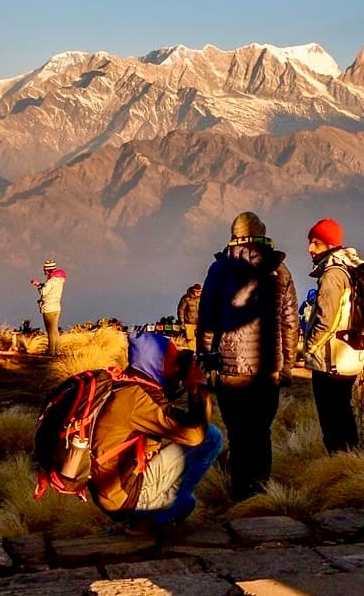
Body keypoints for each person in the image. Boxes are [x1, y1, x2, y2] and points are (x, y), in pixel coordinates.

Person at [196, 212, 297, 501]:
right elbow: (290, 322)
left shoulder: (220, 270)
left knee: (239, 435)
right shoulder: (280, 269)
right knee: (261, 432)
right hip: (269, 369)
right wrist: (287, 365)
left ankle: (241, 496)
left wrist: (206, 360)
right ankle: (262, 492)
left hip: (232, 370)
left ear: (234, 235)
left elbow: (207, 321)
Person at [92, 331, 222, 538]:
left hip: (115, 490)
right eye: (172, 361)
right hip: (124, 494)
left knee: (187, 503)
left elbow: (179, 424)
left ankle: (148, 516)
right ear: (155, 362)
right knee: (212, 438)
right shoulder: (138, 398)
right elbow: (196, 434)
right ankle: (147, 522)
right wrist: (199, 389)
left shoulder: (128, 384)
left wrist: (189, 386)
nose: (176, 368)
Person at [305, 217, 364, 452]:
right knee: (343, 411)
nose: (310, 248)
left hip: (331, 358)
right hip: (350, 355)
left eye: (316, 243)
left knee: (331, 417)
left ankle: (338, 462)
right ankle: (351, 459)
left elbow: (326, 319)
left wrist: (309, 347)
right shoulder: (352, 269)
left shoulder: (332, 274)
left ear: (330, 244)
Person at [32, 259, 67, 355]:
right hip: (56, 307)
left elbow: (44, 292)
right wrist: (40, 284)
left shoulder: (51, 281)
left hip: (49, 308)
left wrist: (38, 287)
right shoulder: (59, 281)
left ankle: (51, 351)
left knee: (50, 330)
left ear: (48, 271)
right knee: (55, 330)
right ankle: (57, 350)